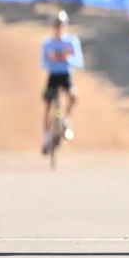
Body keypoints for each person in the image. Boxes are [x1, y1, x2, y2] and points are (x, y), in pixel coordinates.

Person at [40, 10, 84, 154]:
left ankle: (66, 120)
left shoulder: (71, 41)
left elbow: (79, 62)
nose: (58, 27)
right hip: (53, 76)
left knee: (73, 95)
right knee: (47, 104)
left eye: (61, 24)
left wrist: (67, 58)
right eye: (56, 24)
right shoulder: (47, 43)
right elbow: (43, 63)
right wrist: (51, 59)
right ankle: (46, 137)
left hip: (66, 75)